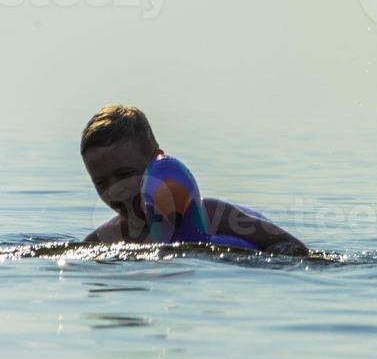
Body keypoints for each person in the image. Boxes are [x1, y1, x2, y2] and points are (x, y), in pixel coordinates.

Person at [80, 105, 308, 255]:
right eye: (101, 183)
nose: (115, 191)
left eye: (125, 176)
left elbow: (294, 247)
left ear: (154, 162)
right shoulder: (105, 238)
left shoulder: (213, 214)